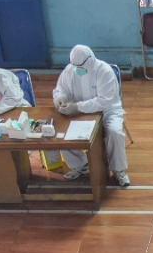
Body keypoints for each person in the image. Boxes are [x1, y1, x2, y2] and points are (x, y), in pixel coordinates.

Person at [52, 44, 129, 186]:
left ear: (90, 60)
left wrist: (77, 107)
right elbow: (59, 89)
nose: (77, 70)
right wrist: (60, 98)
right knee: (59, 131)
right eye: (75, 67)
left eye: (80, 67)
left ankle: (119, 170)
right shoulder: (70, 70)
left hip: (107, 112)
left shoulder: (104, 71)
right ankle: (79, 164)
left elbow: (104, 101)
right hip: (78, 113)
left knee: (114, 133)